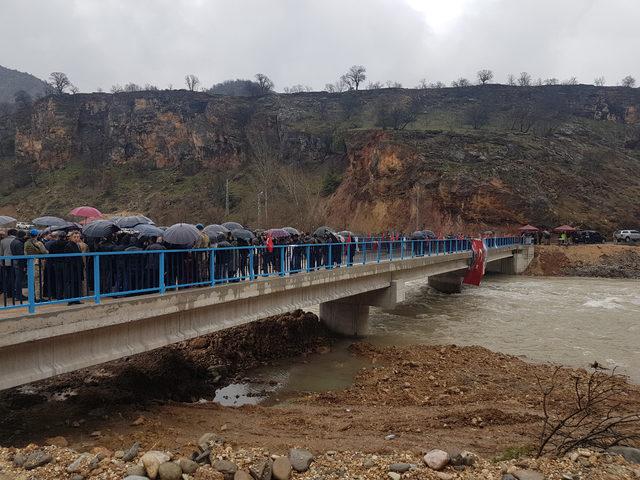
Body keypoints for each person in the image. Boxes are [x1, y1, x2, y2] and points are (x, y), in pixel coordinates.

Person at [24, 229, 48, 300]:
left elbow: (25, 253)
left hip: (29, 263)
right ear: (37, 235)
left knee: (31, 281)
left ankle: (32, 297)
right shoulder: (39, 243)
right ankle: (38, 297)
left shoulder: (26, 243)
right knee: (39, 281)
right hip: (38, 263)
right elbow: (45, 252)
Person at [64, 231, 84, 304]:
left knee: (76, 284)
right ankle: (71, 299)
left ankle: (76, 299)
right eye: (75, 237)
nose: (76, 238)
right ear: (71, 237)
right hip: (72, 268)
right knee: (71, 283)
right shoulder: (68, 245)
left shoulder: (77, 245)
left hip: (77, 268)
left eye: (78, 237)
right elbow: (68, 258)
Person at [10, 230, 27, 301]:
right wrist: (24, 266)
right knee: (19, 280)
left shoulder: (13, 241)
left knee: (17, 279)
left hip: (15, 262)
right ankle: (19, 295)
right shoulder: (19, 243)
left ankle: (17, 294)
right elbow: (21, 256)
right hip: (19, 264)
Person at [0, 228, 17, 300]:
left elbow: (1, 253)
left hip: (5, 262)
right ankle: (12, 292)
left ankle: (7, 292)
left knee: (7, 277)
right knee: (13, 277)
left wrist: (1, 262)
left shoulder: (2, 241)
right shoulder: (16, 240)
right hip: (14, 262)